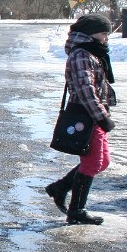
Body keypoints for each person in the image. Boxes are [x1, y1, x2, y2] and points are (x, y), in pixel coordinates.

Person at [46, 14, 116, 225]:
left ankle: (60, 188)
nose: (106, 38)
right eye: (103, 33)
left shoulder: (92, 52)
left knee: (102, 161)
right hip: (86, 115)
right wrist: (101, 117)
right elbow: (86, 90)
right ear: (91, 33)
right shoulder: (81, 54)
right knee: (93, 162)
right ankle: (76, 209)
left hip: (93, 114)